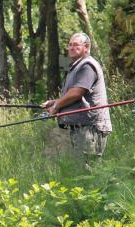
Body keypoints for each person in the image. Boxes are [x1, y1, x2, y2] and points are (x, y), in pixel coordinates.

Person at [41, 32, 112, 160]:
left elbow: (77, 93)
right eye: (70, 45)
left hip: (90, 128)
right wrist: (54, 102)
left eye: (76, 45)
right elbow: (75, 94)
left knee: (88, 169)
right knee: (81, 172)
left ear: (86, 47)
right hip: (81, 127)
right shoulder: (77, 66)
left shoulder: (87, 66)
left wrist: (57, 106)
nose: (71, 48)